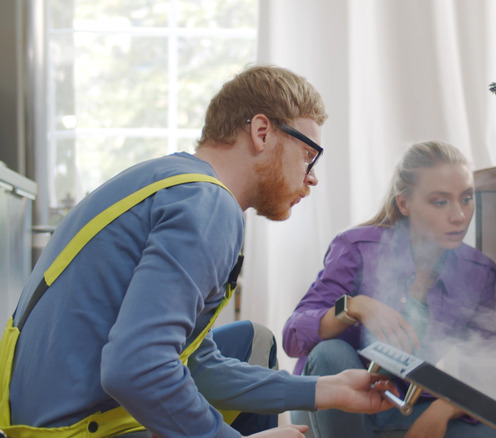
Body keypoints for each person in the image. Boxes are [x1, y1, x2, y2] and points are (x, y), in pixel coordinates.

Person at [0, 65, 396, 438]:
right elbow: (136, 369)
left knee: (251, 338)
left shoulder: (170, 181)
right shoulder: (209, 206)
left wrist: (328, 388)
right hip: (75, 428)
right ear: (262, 132)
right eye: (309, 156)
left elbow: (199, 366)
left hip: (39, 419)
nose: (311, 179)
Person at [283, 141, 496, 438]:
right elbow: (292, 336)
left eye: (466, 199)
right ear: (404, 204)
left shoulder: (478, 272)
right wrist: (355, 306)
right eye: (440, 202)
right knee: (331, 353)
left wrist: (446, 408)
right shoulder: (357, 247)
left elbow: (486, 368)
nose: (459, 216)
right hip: (334, 401)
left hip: (405, 405)